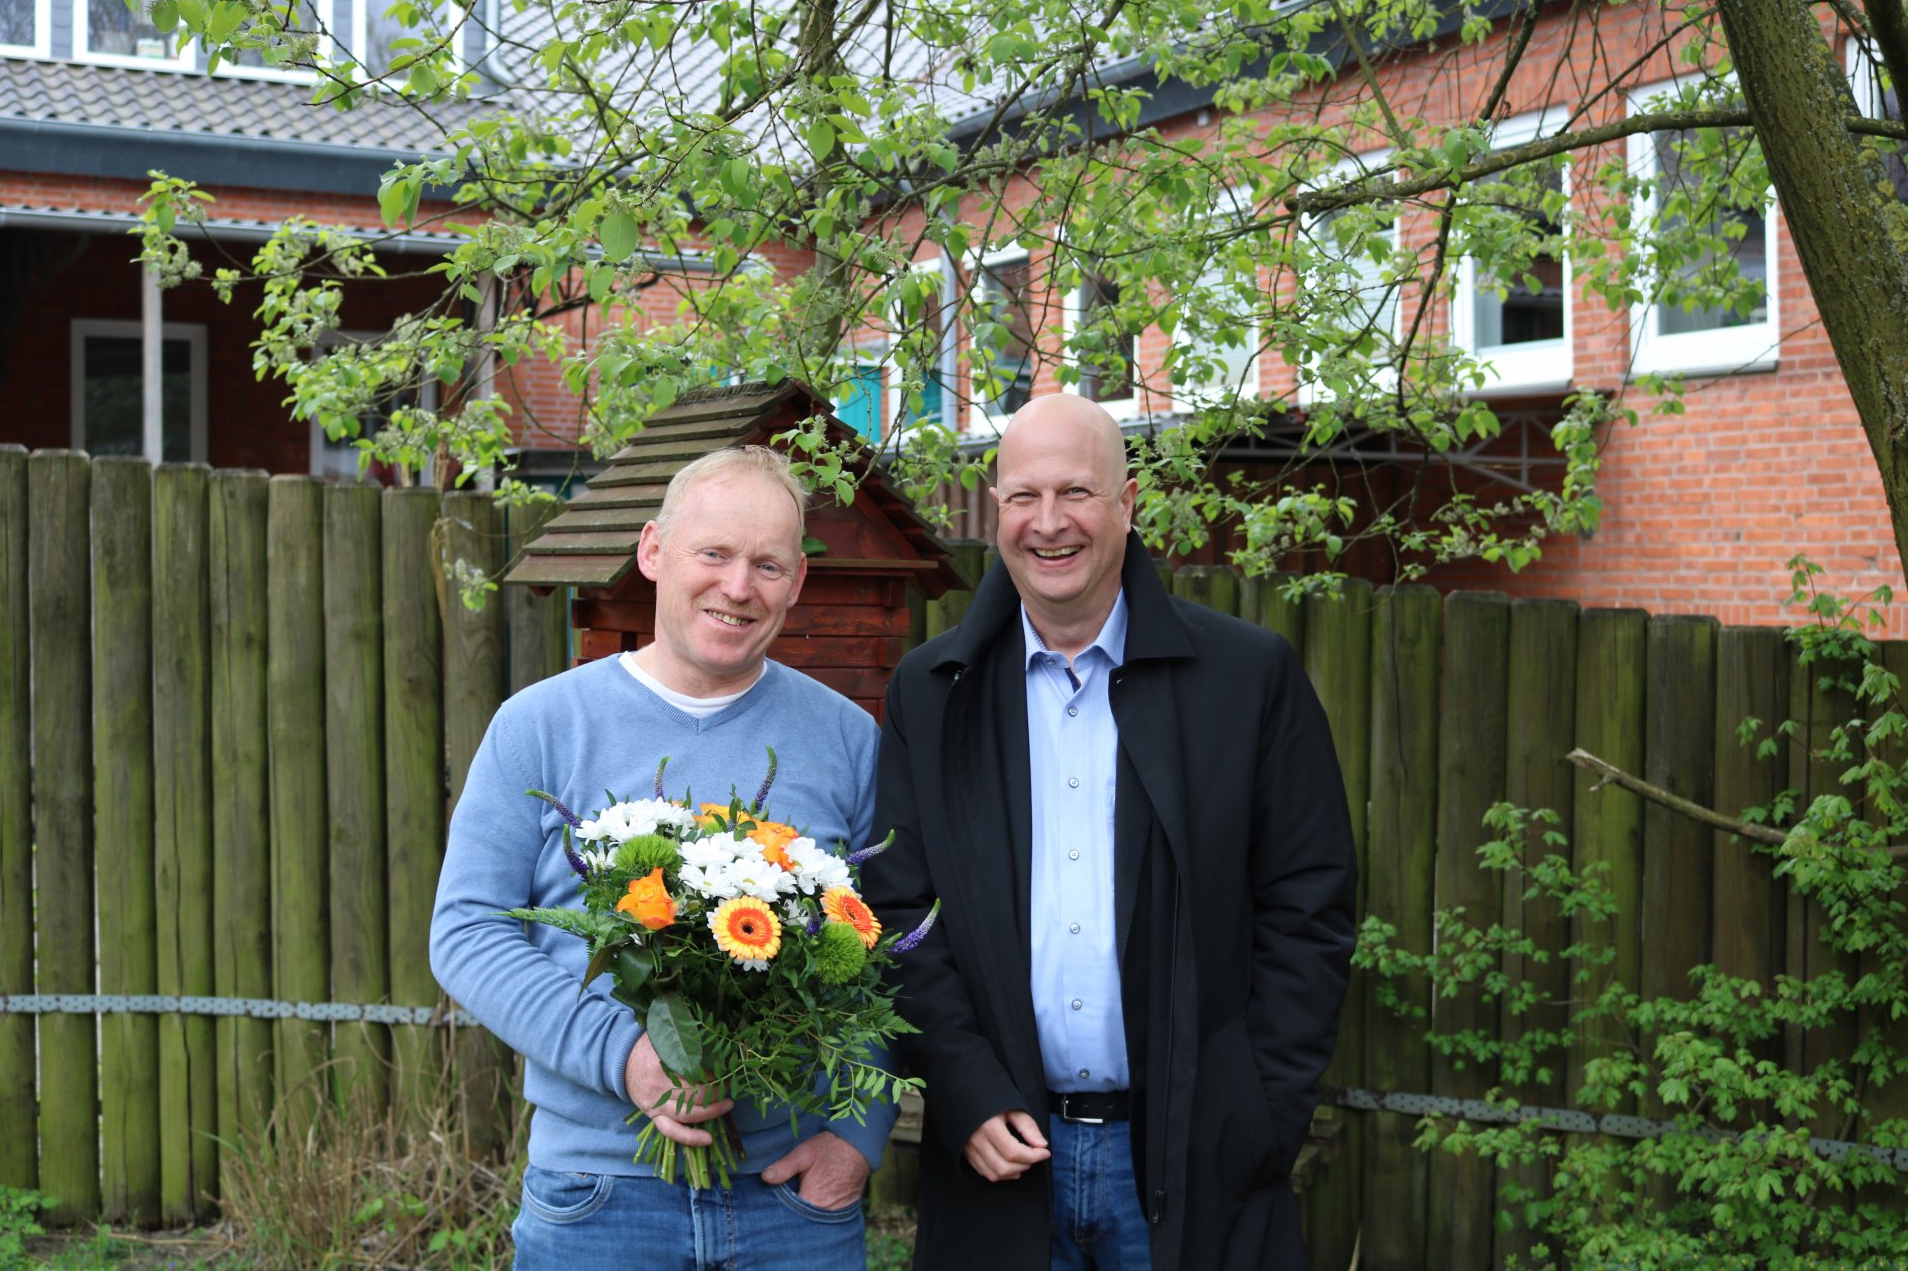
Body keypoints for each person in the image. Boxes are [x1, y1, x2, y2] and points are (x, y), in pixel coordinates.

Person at [862, 395, 1357, 1270]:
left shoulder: (1246, 678)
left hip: (1191, 1159)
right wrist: (962, 1086)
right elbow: (897, 909)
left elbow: (1309, 907)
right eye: (1023, 497)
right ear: (995, 509)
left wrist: (1258, 1111)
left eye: (1077, 493)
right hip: (999, 1157)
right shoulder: (931, 693)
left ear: (1127, 504)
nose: (1049, 524)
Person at [431, 444, 894, 1271]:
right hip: (600, 1197)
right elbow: (468, 933)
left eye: (767, 565)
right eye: (712, 554)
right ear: (653, 551)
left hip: (792, 1201)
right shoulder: (541, 725)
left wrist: (858, 1141)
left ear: (796, 584)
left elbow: (882, 952)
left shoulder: (847, 741)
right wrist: (629, 1057)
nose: (738, 586)